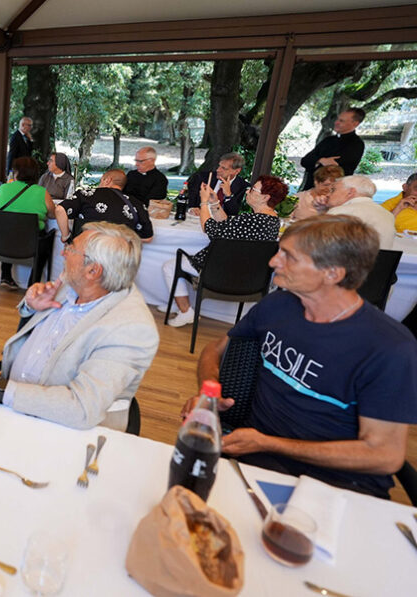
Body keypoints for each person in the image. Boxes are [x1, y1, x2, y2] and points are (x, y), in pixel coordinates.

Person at [185, 215, 417, 499]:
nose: (273, 262)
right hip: (254, 463)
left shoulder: (388, 347)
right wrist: (209, 394)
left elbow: (384, 455)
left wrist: (268, 443)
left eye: (289, 257)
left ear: (333, 273)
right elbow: (216, 349)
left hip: (337, 486)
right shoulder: (278, 306)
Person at [0, 222, 159, 431]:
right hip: (13, 405)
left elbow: (81, 409)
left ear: (93, 271)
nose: (63, 252)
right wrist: (31, 307)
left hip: (62, 430)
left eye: (71, 249)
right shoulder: (74, 285)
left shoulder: (131, 328)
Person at [161, 175, 287, 327]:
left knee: (170, 265)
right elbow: (227, 225)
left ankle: (185, 311)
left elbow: (210, 228)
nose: (248, 192)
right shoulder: (271, 222)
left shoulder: (249, 219)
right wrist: (215, 203)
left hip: (222, 273)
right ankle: (180, 306)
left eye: (253, 190)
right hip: (250, 277)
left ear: (265, 197)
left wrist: (204, 202)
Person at [0, 156, 56, 290]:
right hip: (31, 244)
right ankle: (32, 285)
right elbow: (52, 214)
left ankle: (5, 275)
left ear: (16, 172)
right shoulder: (42, 193)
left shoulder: (3, 188)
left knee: (9, 227)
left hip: (1, 243)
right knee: (46, 239)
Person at [56, 168, 152, 243]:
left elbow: (60, 210)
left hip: (86, 249)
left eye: (101, 180)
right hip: (116, 257)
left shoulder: (86, 194)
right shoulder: (136, 203)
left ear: (107, 180)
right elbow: (148, 237)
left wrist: (66, 236)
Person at [299, 107, 366, 191]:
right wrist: (321, 160)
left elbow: (333, 169)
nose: (336, 122)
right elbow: (305, 161)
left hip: (333, 193)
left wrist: (317, 161)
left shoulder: (356, 144)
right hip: (310, 189)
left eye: (342, 121)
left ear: (355, 123)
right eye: (337, 119)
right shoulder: (328, 140)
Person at [322, 174, 395, 248]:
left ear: (350, 192)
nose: (328, 194)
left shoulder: (340, 212)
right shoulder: (388, 214)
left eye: (333, 190)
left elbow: (318, 245)